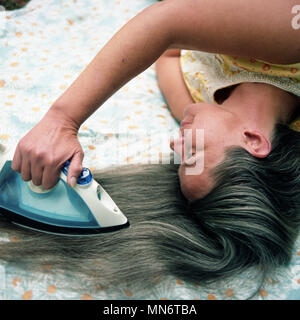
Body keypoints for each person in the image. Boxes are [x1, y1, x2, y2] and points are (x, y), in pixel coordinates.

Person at [2, 0, 300, 297]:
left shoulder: (198, 104)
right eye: (192, 155)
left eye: (180, 158)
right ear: (253, 141)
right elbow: (167, 21)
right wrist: (63, 119)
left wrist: (194, 123)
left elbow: (169, 54)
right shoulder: (291, 44)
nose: (175, 143)